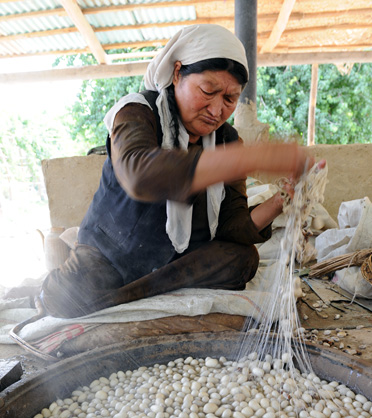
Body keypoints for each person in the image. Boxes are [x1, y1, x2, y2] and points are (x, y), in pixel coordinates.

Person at [38, 24, 312, 319]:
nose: (217, 110)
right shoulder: (136, 112)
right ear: (177, 73)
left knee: (243, 259)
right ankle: (140, 292)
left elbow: (231, 226)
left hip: (177, 261)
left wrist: (282, 200)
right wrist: (248, 159)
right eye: (208, 91)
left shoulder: (227, 141)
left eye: (230, 99)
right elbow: (140, 175)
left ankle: (133, 294)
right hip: (112, 255)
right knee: (61, 297)